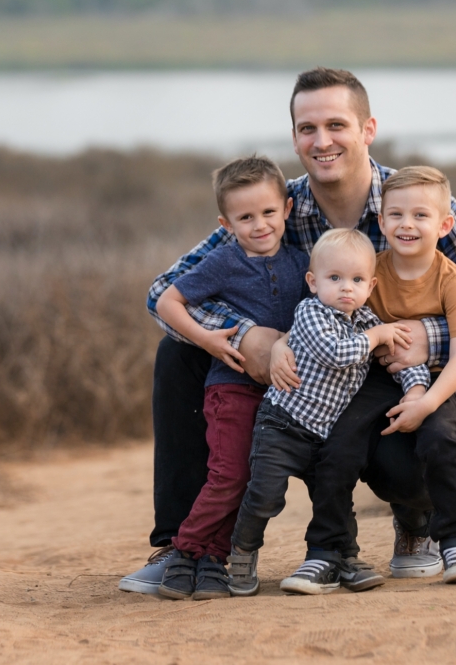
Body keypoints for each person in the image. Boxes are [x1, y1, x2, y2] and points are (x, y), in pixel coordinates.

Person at [118, 67, 456, 594]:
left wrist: (429, 336)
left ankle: (417, 523)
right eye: (307, 128)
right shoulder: (274, 207)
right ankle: (184, 546)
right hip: (297, 376)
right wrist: (246, 335)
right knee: (177, 356)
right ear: (294, 138)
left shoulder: (412, 203)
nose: (322, 140)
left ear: (367, 129)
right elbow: (165, 292)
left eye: (337, 124)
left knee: (411, 456)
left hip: (383, 380)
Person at [287, 166, 456, 592]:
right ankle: (327, 552)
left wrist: (427, 403)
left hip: (433, 380)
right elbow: (322, 318)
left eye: (420, 215)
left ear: (445, 225)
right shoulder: (367, 274)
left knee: (440, 441)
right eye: (395, 215)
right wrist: (285, 344)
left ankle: (455, 543)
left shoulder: (452, 280)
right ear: (381, 221)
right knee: (337, 449)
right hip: (373, 378)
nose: (406, 225)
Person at [226, 228, 427, 597]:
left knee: (335, 498)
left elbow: (402, 356)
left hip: (324, 435)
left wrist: (417, 388)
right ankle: (242, 550)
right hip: (282, 426)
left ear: (371, 286)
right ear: (313, 282)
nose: (346, 288)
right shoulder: (310, 313)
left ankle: (344, 557)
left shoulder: (369, 323)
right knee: (266, 496)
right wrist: (377, 337)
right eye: (334, 278)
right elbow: (337, 353)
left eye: (356, 280)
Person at [148, 155, 309, 600]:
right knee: (228, 474)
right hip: (232, 386)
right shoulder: (223, 261)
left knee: (258, 480)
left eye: (269, 213)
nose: (260, 225)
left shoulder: (303, 263)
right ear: (226, 222)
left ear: (287, 210)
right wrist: (209, 340)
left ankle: (213, 559)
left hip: (282, 394)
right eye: (245, 217)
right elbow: (167, 301)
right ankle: (185, 551)